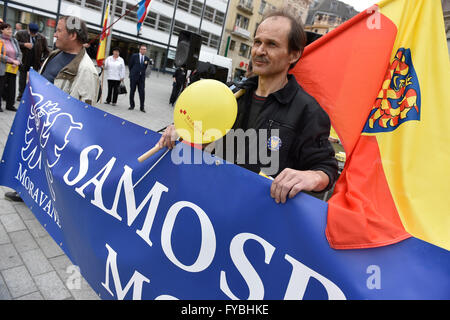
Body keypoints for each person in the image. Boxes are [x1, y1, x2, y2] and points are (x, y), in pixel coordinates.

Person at [158, 9, 338, 204]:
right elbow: (201, 130)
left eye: (272, 44)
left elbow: (326, 168)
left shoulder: (308, 111)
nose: (260, 51)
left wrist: (312, 177)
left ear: (293, 55)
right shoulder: (230, 94)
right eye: (257, 42)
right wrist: (182, 130)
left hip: (256, 221)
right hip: (209, 203)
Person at [4, 16, 100, 203]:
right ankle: (26, 190)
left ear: (72, 35)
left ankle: (48, 201)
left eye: (59, 30)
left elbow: (84, 114)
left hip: (56, 133)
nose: (54, 34)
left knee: (48, 168)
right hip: (38, 122)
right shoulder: (54, 54)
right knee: (32, 159)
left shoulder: (87, 70)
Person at [15, 22, 50, 101]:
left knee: (33, 80)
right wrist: (24, 44)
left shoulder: (42, 38)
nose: (33, 34)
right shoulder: (20, 34)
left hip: (35, 62)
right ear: (28, 29)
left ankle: (30, 96)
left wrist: (42, 60)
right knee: (22, 79)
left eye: (35, 33)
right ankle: (21, 95)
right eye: (31, 33)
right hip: (24, 60)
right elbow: (15, 43)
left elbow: (47, 51)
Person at [0, 23, 22, 112]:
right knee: (1, 86)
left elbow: (19, 53)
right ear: (2, 30)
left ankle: (10, 105)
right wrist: (11, 60)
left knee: (12, 87)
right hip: (3, 66)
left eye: (10, 29)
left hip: (13, 67)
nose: (10, 31)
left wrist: (17, 61)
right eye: (7, 29)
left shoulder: (14, 40)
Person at [128, 44, 151, 112]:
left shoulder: (146, 58)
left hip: (141, 78)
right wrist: (132, 73)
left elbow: (146, 68)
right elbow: (130, 65)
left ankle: (142, 107)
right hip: (134, 77)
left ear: (146, 51)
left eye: (145, 49)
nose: (143, 50)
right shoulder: (134, 56)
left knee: (142, 93)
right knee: (132, 91)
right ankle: (132, 105)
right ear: (140, 49)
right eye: (142, 49)